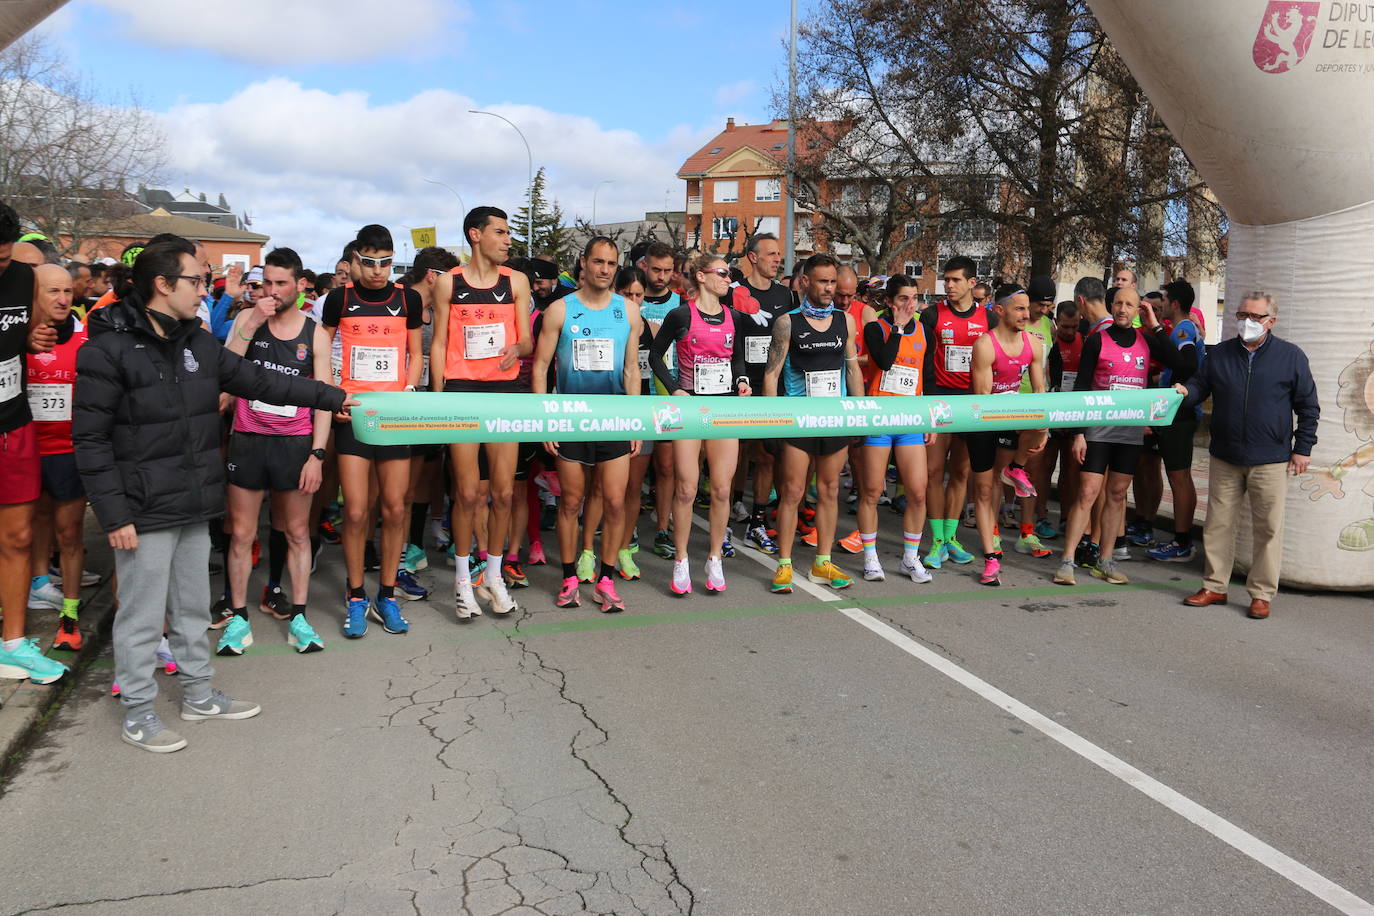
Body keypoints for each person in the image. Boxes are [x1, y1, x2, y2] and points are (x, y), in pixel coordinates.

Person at [74, 238, 352, 753]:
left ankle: (198, 695)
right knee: (140, 616)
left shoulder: (198, 343)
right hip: (141, 508)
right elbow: (89, 441)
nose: (205, 290)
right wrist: (114, 513)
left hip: (193, 502)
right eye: (196, 281)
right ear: (163, 285)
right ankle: (138, 712)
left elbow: (262, 381)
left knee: (192, 609)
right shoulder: (106, 350)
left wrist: (334, 397)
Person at [218, 248, 332, 656]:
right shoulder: (248, 322)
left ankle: (300, 617)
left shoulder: (314, 333)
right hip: (248, 440)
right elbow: (226, 369)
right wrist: (253, 319)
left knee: (297, 532)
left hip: (294, 444)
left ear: (299, 286)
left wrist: (317, 455)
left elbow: (323, 397)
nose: (272, 290)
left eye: (281, 283)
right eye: (266, 282)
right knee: (242, 534)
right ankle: (238, 618)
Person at [1177, 291, 1317, 619]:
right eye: (1242, 316)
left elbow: (1308, 406)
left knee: (1268, 527)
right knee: (1218, 524)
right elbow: (1200, 385)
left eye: (1255, 317)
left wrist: (1302, 449)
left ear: (1271, 321)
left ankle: (1262, 594)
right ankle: (1214, 586)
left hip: (1270, 457)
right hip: (1225, 454)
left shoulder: (1291, 357)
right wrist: (1186, 392)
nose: (1246, 323)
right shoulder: (1221, 353)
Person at [321, 225, 423, 638]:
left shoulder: (408, 299)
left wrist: (411, 390)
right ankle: (357, 594)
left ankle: (388, 594)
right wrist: (333, 394)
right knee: (357, 510)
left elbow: (416, 352)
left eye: (385, 262)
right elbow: (321, 348)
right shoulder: (338, 298)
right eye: (369, 262)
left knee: (396, 508)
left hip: (394, 415)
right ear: (354, 261)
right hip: (355, 416)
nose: (378, 271)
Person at [430, 207, 532, 620]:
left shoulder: (517, 282)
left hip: (503, 391)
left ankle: (493, 574)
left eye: (509, 233)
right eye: (500, 233)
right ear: (476, 235)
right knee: (469, 493)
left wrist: (517, 350)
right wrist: (437, 398)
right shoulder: (448, 283)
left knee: (504, 492)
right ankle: (461, 579)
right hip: (461, 391)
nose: (508, 240)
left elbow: (527, 341)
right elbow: (438, 343)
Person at [531, 236, 642, 613]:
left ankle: (606, 579)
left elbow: (631, 370)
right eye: (598, 262)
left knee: (614, 503)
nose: (605, 270)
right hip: (570, 418)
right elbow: (542, 367)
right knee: (571, 502)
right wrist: (546, 420)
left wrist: (635, 424)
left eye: (611, 264)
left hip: (613, 419)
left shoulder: (627, 311)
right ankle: (568, 578)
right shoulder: (560, 310)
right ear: (584, 263)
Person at [1053, 287, 1188, 588]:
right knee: (1088, 492)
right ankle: (1067, 560)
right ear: (1111, 306)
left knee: (1117, 495)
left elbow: (1182, 365)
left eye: (1129, 304)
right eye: (1118, 303)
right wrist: (1078, 434)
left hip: (1129, 431)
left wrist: (1154, 323)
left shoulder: (1147, 341)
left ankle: (1106, 560)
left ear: (1138, 308)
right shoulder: (1097, 340)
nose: (1123, 309)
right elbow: (1082, 387)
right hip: (1098, 429)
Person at [649, 254, 751, 595]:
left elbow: (736, 357)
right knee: (686, 488)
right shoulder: (681, 315)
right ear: (702, 277)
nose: (729, 278)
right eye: (723, 273)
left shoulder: (734, 316)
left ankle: (713, 557)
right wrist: (676, 388)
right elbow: (654, 355)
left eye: (730, 274)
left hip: (723, 409)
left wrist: (742, 381)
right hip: (690, 410)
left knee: (722, 488)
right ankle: (681, 559)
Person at [763, 253, 864, 593]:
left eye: (833, 282)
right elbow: (771, 374)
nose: (829, 288)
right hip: (798, 420)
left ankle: (822, 562)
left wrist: (858, 415)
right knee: (793, 492)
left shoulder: (844, 320)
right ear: (806, 282)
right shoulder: (787, 322)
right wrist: (772, 424)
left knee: (830, 491)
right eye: (823, 281)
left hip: (834, 419)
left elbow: (852, 369)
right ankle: (784, 564)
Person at [0, 202, 68, 686]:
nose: (0, 266)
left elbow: (38, 331)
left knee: (20, 537)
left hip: (15, 420)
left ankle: (14, 644)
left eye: (4, 258)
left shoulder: (23, 277)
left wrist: (32, 339)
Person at [24, 264, 89, 652]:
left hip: (68, 450)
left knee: (70, 534)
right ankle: (37, 587)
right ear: (34, 295)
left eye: (67, 291)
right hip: (27, 449)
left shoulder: (83, 338)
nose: (63, 299)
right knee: (31, 528)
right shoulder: (16, 339)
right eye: (53, 291)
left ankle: (70, 614)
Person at [967, 286, 1047, 586]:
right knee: (985, 491)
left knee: (1040, 425)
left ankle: (1016, 467)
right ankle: (990, 558)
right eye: (1019, 309)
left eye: (1027, 309)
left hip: (1011, 416)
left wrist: (1042, 429)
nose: (1027, 315)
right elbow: (983, 399)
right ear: (1000, 311)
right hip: (983, 420)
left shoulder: (1033, 345)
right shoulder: (985, 345)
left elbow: (1040, 393)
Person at [857, 275, 932, 584]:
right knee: (872, 491)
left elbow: (926, 378)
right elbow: (886, 362)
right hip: (879, 417)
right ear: (889, 301)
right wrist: (899, 328)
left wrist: (929, 419)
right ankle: (871, 557)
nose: (909, 305)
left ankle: (910, 558)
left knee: (917, 491)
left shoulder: (925, 331)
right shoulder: (877, 328)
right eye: (903, 299)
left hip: (911, 420)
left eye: (913, 299)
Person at [920, 256, 990, 568]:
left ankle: (950, 537)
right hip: (939, 401)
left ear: (972, 284)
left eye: (955, 280)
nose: (948, 285)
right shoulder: (933, 314)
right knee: (934, 472)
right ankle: (936, 540)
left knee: (961, 473)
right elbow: (921, 359)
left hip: (971, 403)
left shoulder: (989, 319)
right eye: (946, 280)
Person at [1145, 281, 1205, 563]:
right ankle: (1182, 539)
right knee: (1177, 475)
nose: (1163, 303)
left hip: (1180, 410)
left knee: (1179, 476)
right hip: (1177, 409)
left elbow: (1187, 364)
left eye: (1165, 299)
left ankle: (1182, 541)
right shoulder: (1181, 329)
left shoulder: (1184, 329)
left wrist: (1156, 329)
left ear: (1175, 304)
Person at [636, 241, 681, 560]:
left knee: (666, 468)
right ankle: (629, 528)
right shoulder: (630, 300)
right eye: (656, 269)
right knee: (632, 472)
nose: (662, 276)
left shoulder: (680, 305)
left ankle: (663, 529)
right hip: (635, 397)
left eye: (667, 270)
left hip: (666, 396)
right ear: (644, 266)